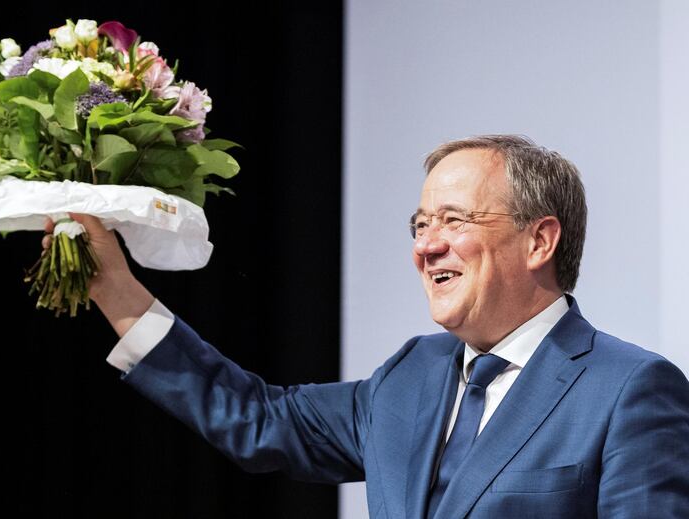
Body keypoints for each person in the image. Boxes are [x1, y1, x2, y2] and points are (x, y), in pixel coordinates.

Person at [44, 135, 689, 518]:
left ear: (539, 240)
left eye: (454, 221)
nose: (427, 247)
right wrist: (113, 288)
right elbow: (258, 419)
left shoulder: (628, 390)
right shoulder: (413, 375)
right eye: (420, 225)